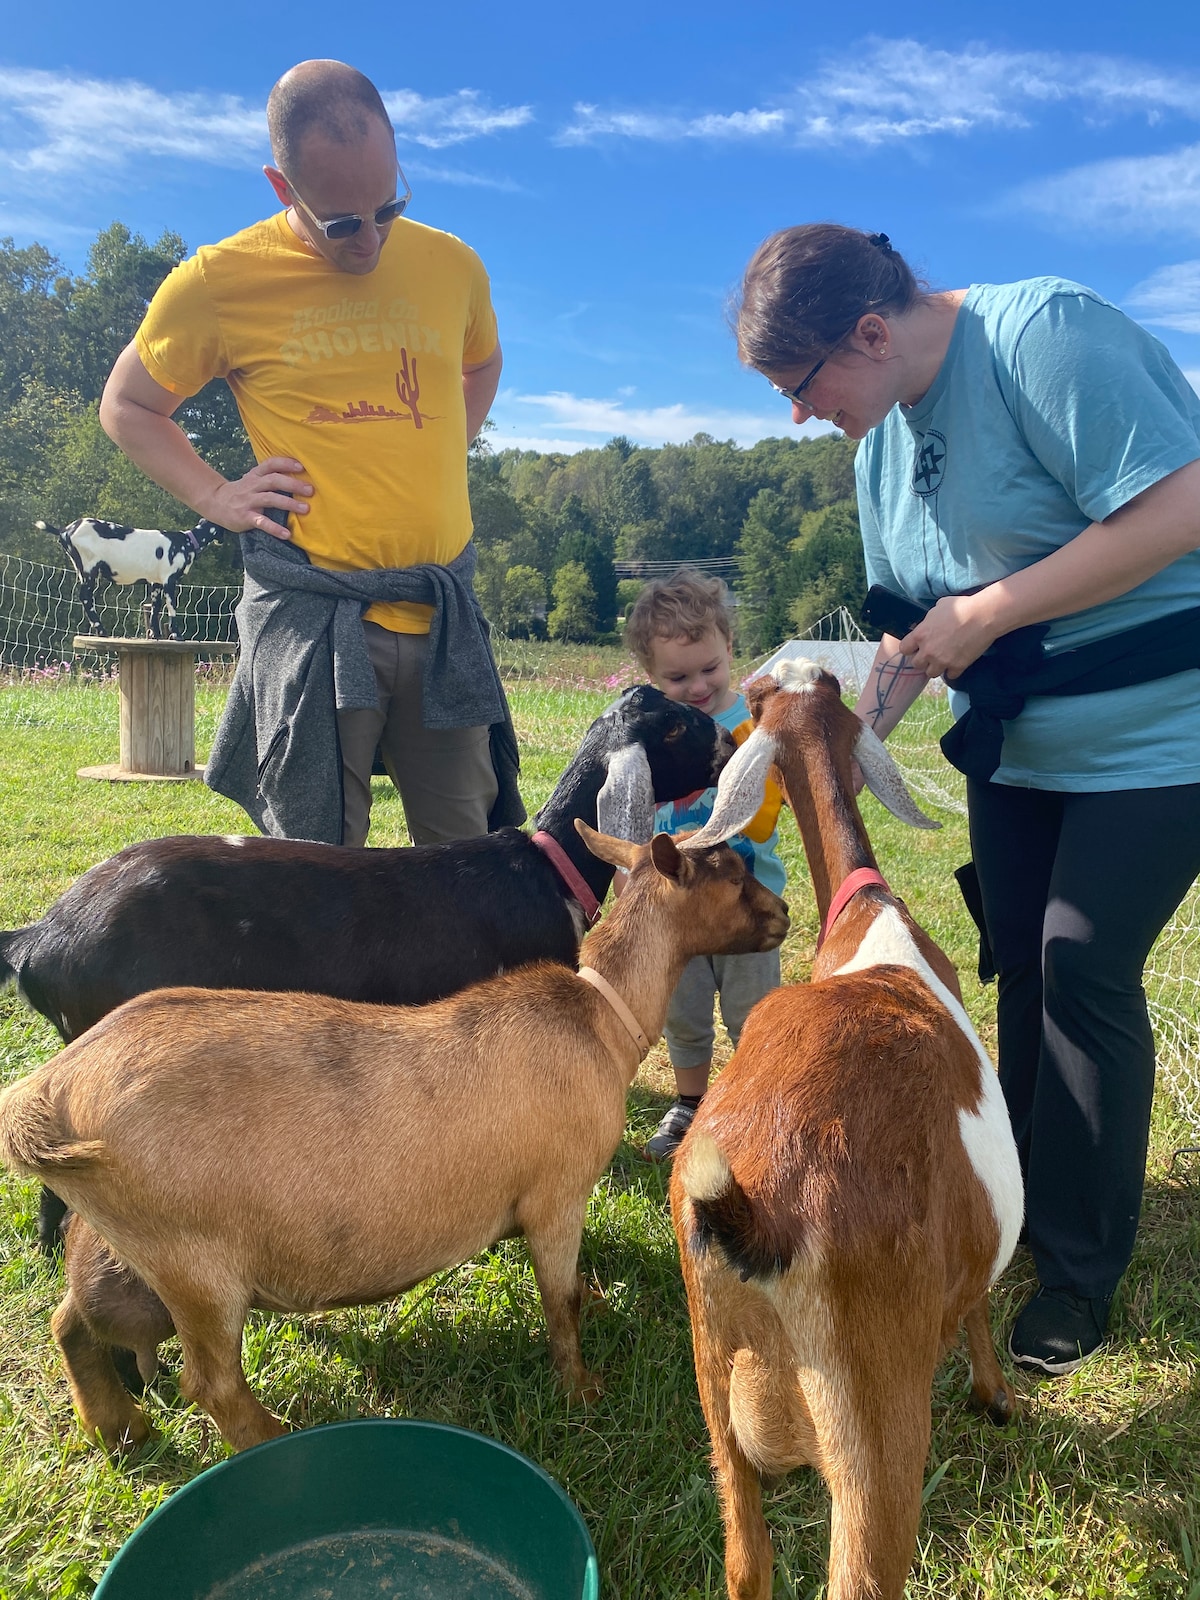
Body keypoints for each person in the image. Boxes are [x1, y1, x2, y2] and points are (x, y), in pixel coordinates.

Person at [734, 222, 1200, 1375]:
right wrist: (834, 721)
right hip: (1016, 747)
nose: (798, 413)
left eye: (801, 384)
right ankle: (1026, 1204)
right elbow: (907, 631)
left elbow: (1184, 504)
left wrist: (990, 611)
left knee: (1084, 966)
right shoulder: (880, 449)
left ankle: (1080, 1272)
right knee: (1022, 966)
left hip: (1160, 731)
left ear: (874, 331)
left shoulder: (1045, 336)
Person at [99, 59, 519, 848]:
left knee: (470, 865)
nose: (370, 238)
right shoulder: (219, 282)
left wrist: (443, 451)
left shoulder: (451, 264)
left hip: (441, 614)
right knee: (317, 869)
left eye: (388, 206)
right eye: (341, 222)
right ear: (281, 186)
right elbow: (128, 406)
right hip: (317, 620)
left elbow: (482, 362)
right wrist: (217, 497)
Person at [624, 571, 787, 1160]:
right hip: (678, 914)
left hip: (747, 906)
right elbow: (633, 812)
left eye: (709, 669)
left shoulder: (752, 728)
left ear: (730, 652)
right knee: (684, 1012)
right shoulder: (651, 736)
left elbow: (764, 818)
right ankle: (690, 1104)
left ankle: (756, 1103)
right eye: (677, 676)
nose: (697, 686)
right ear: (650, 676)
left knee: (754, 1013)